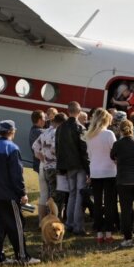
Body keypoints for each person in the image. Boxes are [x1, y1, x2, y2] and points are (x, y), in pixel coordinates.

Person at [0, 120, 39, 265]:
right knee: (17, 225)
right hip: (8, 194)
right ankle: (22, 257)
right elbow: (16, 175)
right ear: (12, 132)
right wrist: (22, 193)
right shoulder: (12, 148)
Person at [55, 101, 90, 236]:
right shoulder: (80, 128)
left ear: (68, 110)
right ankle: (78, 227)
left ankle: (69, 223)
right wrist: (88, 169)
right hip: (79, 165)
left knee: (72, 194)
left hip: (67, 166)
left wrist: (61, 166)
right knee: (79, 195)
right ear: (79, 111)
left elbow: (57, 148)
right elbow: (84, 151)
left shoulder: (60, 128)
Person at [84, 111, 118, 244]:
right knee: (110, 203)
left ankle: (99, 233)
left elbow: (90, 155)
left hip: (95, 171)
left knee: (97, 203)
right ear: (106, 120)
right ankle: (108, 232)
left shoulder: (89, 135)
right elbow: (114, 153)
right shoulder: (109, 134)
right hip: (109, 171)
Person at [29, 110, 47, 220]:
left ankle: (41, 220)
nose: (46, 120)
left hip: (38, 164)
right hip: (43, 164)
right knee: (46, 193)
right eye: (44, 118)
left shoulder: (33, 130)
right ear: (40, 120)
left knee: (43, 193)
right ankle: (45, 217)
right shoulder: (40, 132)